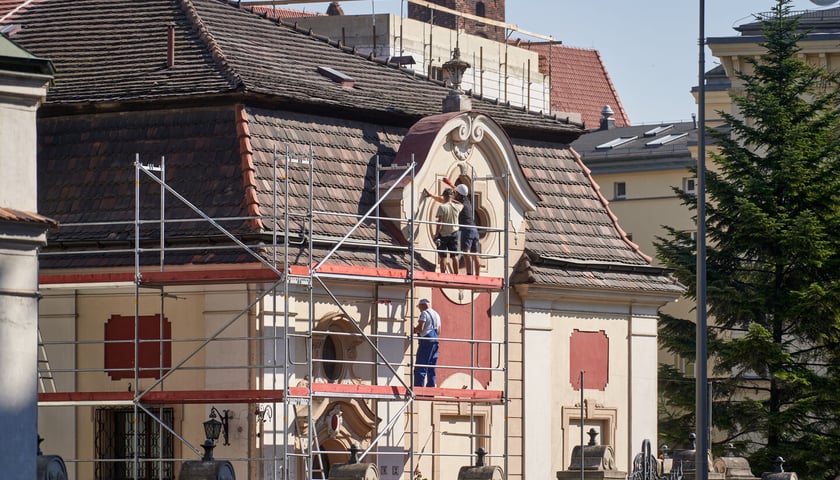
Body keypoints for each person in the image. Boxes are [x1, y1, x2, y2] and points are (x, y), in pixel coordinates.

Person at [413, 298, 440, 387]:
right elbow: (439, 331)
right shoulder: (436, 314)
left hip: (426, 342)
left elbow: (420, 328)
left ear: (423, 305)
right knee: (431, 366)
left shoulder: (424, 313)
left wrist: (414, 330)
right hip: (435, 341)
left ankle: (418, 386)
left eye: (419, 307)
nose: (419, 309)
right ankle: (431, 386)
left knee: (421, 365)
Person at [454, 183, 480, 276]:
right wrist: (450, 184)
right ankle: (477, 275)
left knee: (466, 252)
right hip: (474, 230)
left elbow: (448, 200)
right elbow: (461, 192)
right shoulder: (467, 201)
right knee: (475, 254)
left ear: (459, 195)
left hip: (467, 230)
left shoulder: (460, 203)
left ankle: (469, 274)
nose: (454, 194)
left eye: (455, 193)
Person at [432, 188, 460, 274]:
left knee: (443, 256)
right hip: (454, 234)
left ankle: (443, 274)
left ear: (444, 196)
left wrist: (436, 235)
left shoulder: (442, 207)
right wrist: (453, 198)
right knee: (454, 255)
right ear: (451, 197)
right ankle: (456, 275)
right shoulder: (457, 207)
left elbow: (440, 222)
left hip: (443, 235)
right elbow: (461, 204)